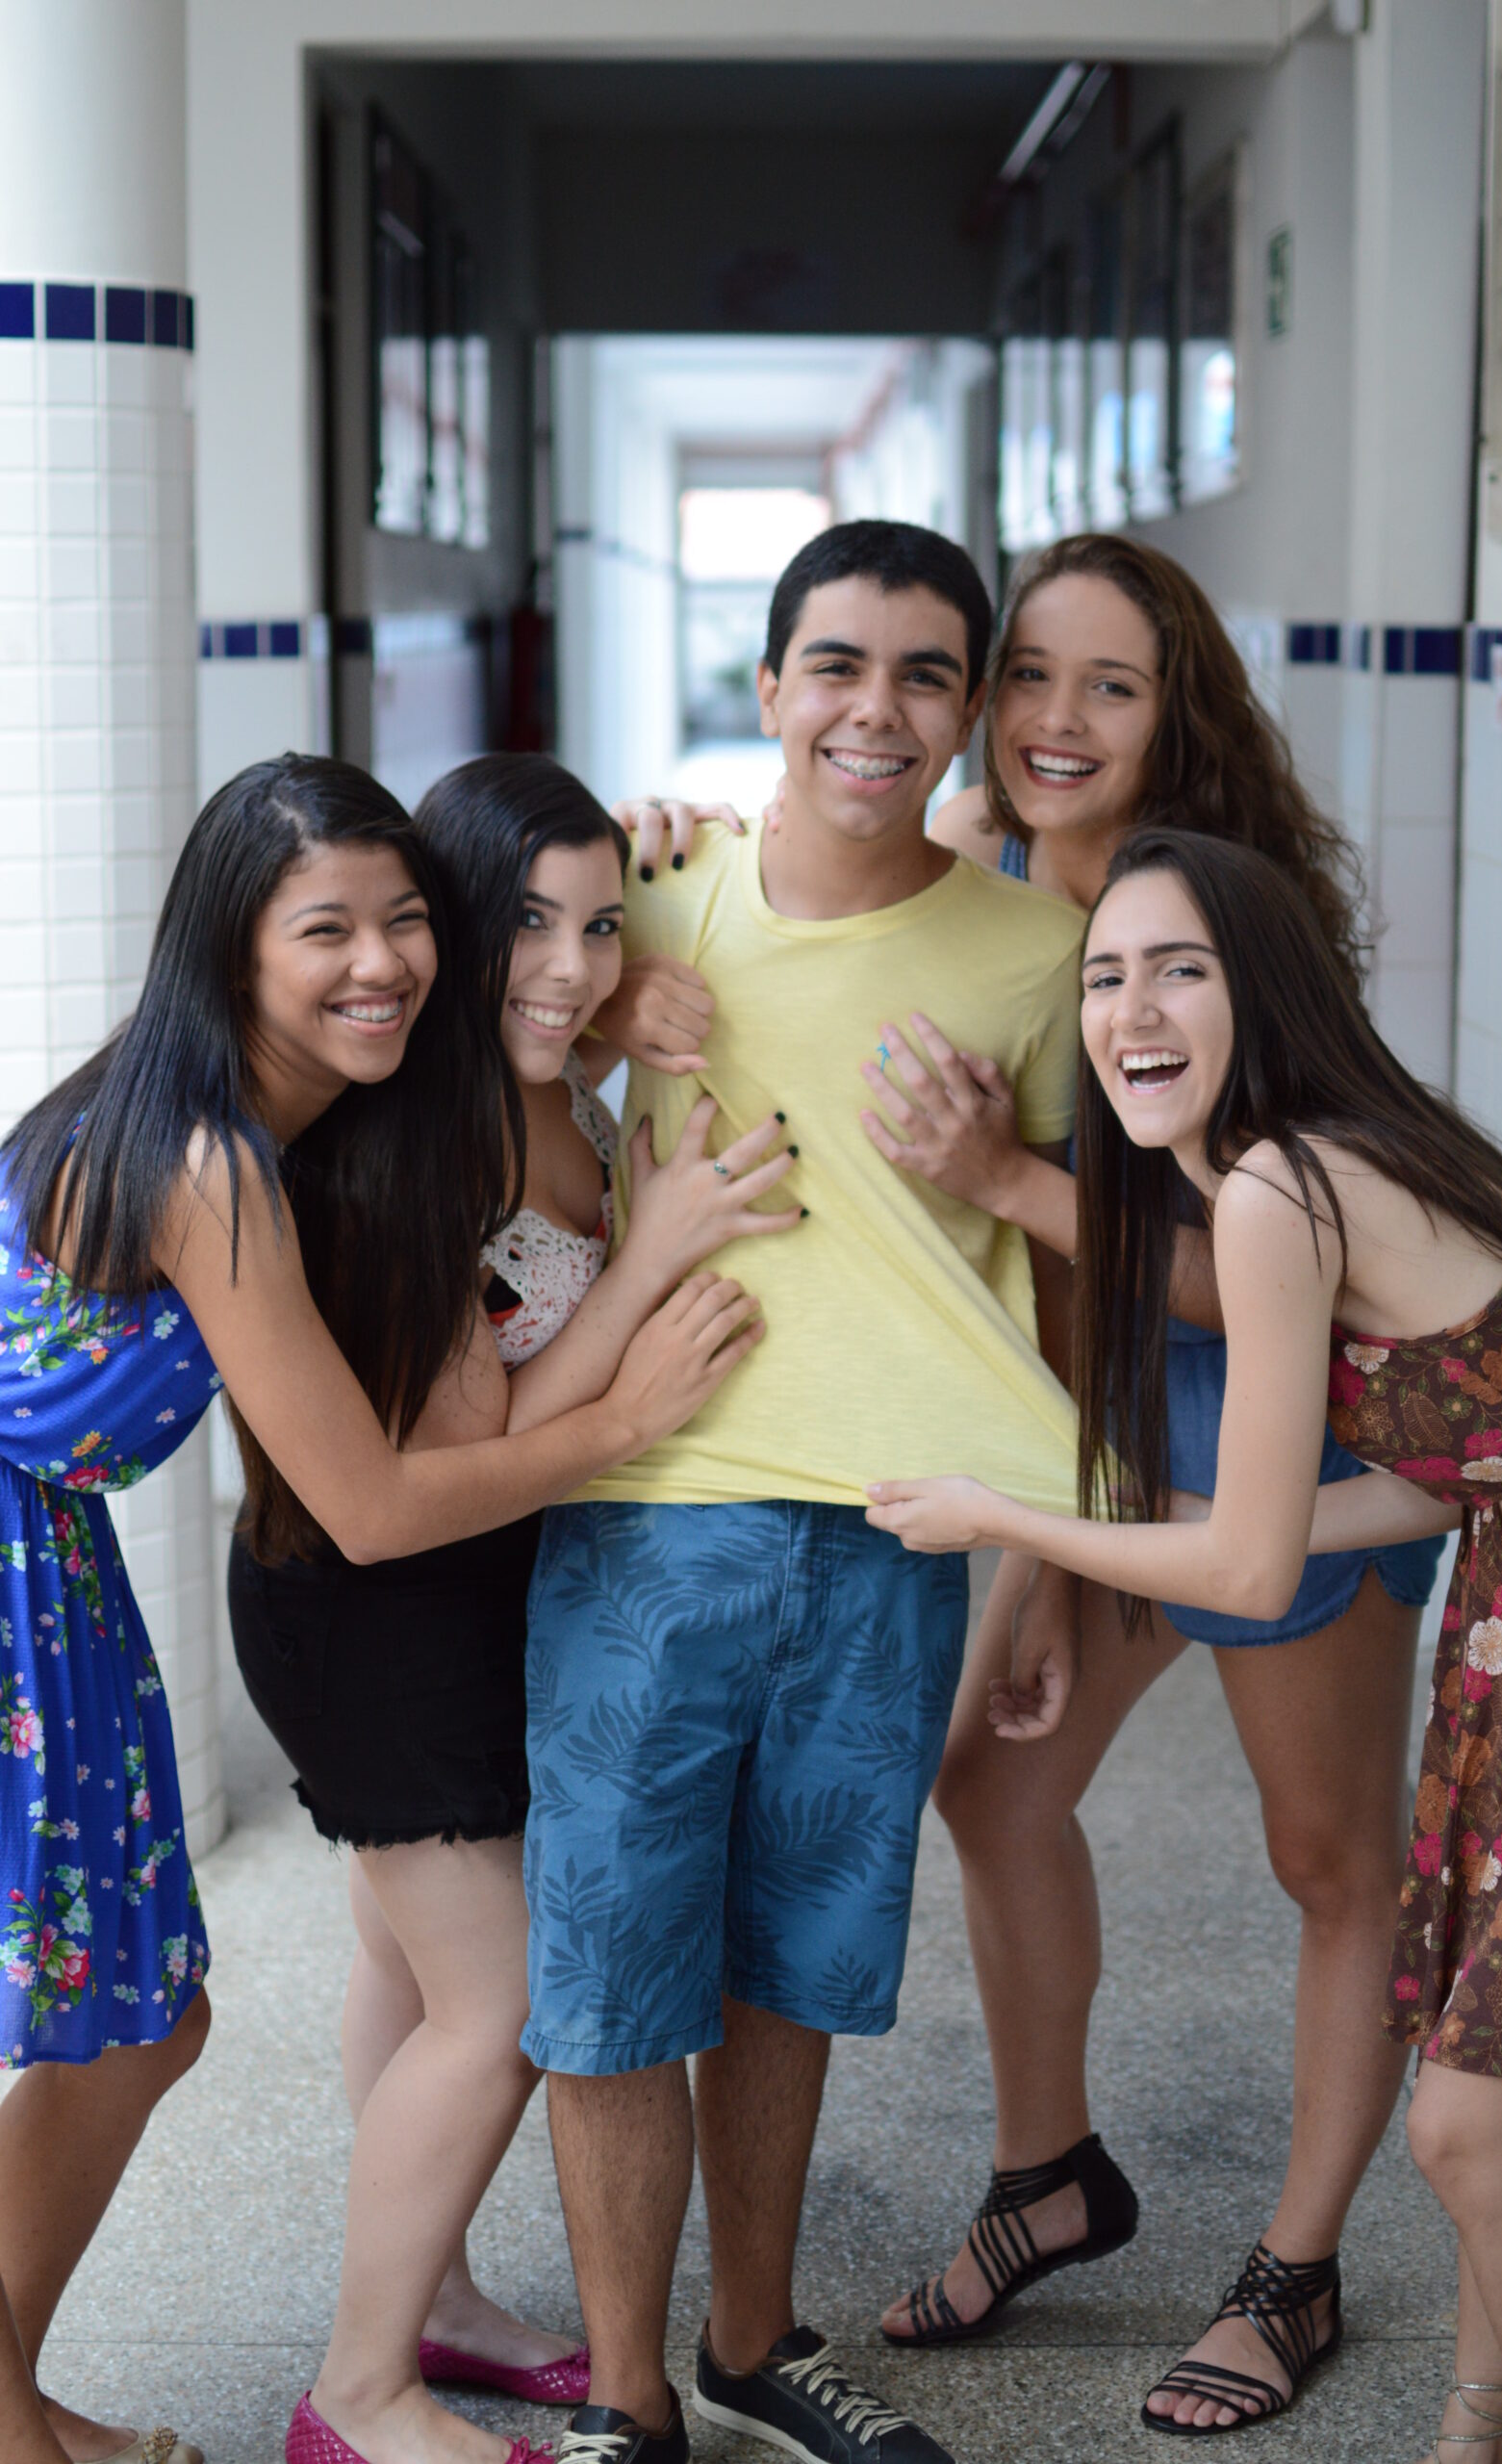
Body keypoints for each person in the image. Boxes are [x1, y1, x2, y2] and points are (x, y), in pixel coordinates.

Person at [625, 533, 1444, 2431]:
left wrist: (1000, 1178)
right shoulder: (983, 885)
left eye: (1111, 685)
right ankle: (1047, 2173)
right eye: (1029, 677)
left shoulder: (1227, 926)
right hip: (1101, 1420)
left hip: (1280, 1410)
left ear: (1175, 715)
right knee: (993, 1783)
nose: (1054, 719)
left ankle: (1296, 2261)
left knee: (1326, 1858)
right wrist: (652, 853)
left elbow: (1273, 1268)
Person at [0, 754, 764, 2464]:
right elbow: (372, 1502)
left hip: (58, 1567)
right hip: (51, 1574)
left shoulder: (285, 1113)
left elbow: (523, 1005)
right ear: (231, 946)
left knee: (139, 2017)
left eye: (404, 921)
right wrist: (627, 1417)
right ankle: (295, 2401)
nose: (380, 963)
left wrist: (642, 898)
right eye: (326, 930)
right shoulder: (211, 1161)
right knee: (161, 2010)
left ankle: (30, 2393)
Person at [866, 824, 1502, 2464]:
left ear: (1264, 987)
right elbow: (1454, 1469)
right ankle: (1479, 2428)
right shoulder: (1327, 1159)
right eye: (1103, 977)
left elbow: (1245, 1561)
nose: (1130, 1011)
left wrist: (1003, 1517)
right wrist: (1143, 1507)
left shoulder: (1285, 1188)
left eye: (1178, 970)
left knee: (1470, 2131)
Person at [526, 520, 1089, 2464]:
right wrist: (597, 1006)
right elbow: (462, 1032)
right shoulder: (645, 891)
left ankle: (751, 2339)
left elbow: (1087, 1275)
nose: (876, 708)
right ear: (766, 686)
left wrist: (1043, 1560)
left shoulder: (1038, 952)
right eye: (835, 664)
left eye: (926, 672)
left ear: (969, 709)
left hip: (899, 1526)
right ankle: (623, 2399)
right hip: (644, 1506)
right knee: (608, 1968)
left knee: (795, 1964)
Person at [225, 755, 799, 2464]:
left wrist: (664, 880)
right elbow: (474, 1441)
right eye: (528, 926)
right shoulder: (430, 1139)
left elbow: (601, 985)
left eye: (600, 925)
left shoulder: (539, 1068)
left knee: (404, 1963)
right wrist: (654, 1259)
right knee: (504, 2000)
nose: (568, 964)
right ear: (454, 933)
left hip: (474, 1587)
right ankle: (357, 2392)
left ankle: (442, 2301)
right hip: (378, 1606)